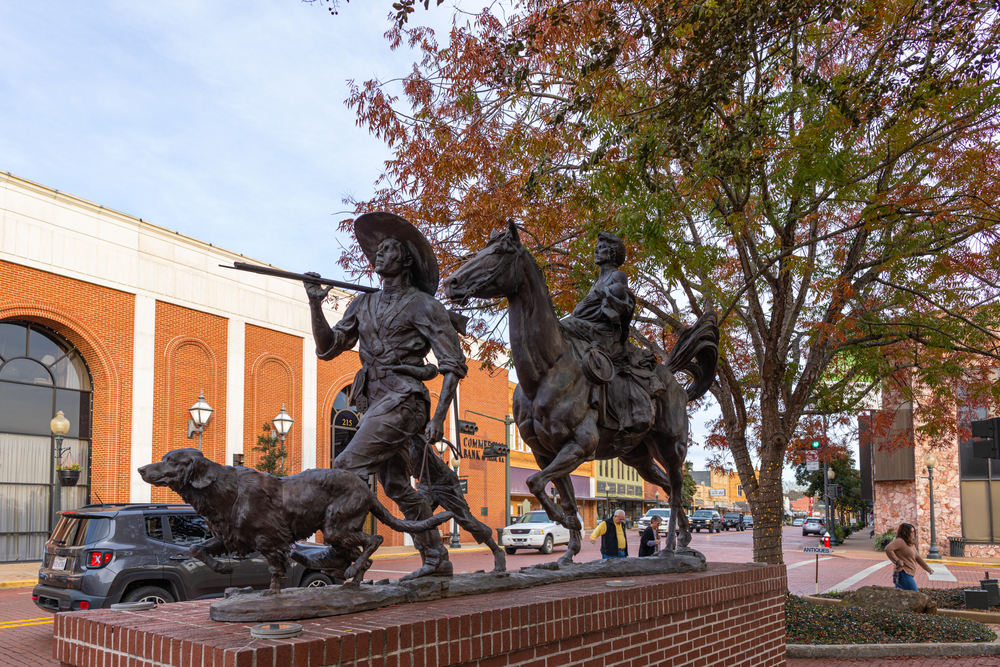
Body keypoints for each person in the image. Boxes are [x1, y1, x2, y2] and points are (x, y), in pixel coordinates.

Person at [304, 211, 468, 580]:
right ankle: (436, 558)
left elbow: (453, 364)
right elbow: (328, 348)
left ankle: (340, 548)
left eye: (389, 249)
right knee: (395, 485)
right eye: (377, 250)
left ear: (406, 260)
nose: (379, 254)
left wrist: (439, 417)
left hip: (406, 400)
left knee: (347, 465)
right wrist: (315, 304)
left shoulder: (424, 305)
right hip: (376, 402)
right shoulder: (362, 303)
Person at [885, 522, 934, 591]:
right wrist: (897, 561)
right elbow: (888, 549)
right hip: (903, 573)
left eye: (914, 532)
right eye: (911, 532)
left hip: (908, 573)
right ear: (905, 533)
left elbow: (917, 557)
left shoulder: (910, 543)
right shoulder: (900, 541)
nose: (913, 534)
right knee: (915, 595)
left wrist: (928, 569)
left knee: (903, 597)